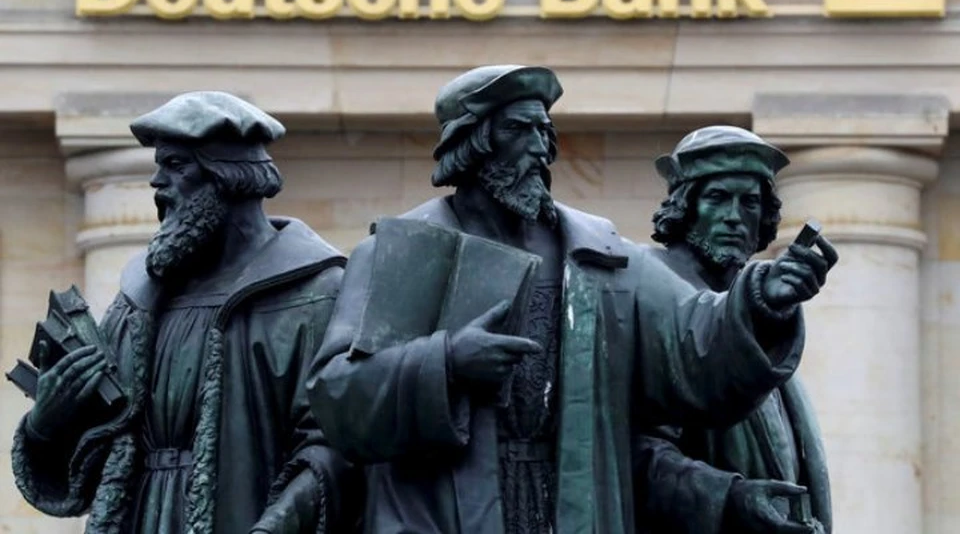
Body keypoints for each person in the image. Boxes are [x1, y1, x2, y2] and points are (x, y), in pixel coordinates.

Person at [305, 65, 838, 534]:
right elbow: (338, 398)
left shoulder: (596, 254)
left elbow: (691, 342)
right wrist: (448, 363)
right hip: (442, 515)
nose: (540, 149)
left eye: (545, 131)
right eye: (518, 130)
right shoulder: (403, 251)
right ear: (471, 142)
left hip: (573, 508)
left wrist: (760, 300)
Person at [11, 92, 362, 534]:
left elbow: (338, 445)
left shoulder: (314, 293)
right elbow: (93, 462)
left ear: (228, 176)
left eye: (176, 165)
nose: (156, 182)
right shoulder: (138, 301)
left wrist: (277, 525)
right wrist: (46, 426)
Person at [633, 126, 831, 534]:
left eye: (750, 203)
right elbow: (629, 453)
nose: (734, 216)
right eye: (718, 198)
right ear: (685, 206)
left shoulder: (758, 310)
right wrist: (730, 498)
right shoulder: (648, 292)